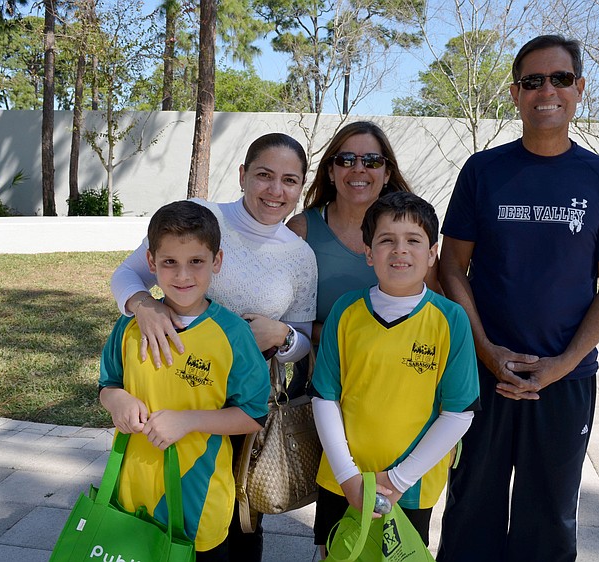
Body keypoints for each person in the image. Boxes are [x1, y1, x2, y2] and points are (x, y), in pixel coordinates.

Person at [436, 35, 599, 562]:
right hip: (481, 376)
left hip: (565, 379)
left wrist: (562, 363)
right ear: (515, 92)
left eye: (560, 79)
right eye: (532, 81)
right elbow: (450, 266)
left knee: (548, 516)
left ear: (579, 90)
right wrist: (485, 350)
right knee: (470, 507)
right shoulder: (483, 171)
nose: (546, 90)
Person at [110, 132, 317, 561]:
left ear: (301, 187)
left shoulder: (300, 255)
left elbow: (301, 340)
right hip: (178, 375)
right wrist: (143, 305)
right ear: (242, 175)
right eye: (263, 175)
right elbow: (129, 275)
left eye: (289, 180)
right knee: (166, 498)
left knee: (240, 510)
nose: (275, 190)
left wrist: (282, 336)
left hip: (244, 389)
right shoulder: (203, 217)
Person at [309, 192, 480, 556]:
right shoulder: (346, 311)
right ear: (369, 253)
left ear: (432, 253)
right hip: (342, 480)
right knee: (335, 554)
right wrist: (348, 476)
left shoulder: (450, 320)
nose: (400, 250)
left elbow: (459, 413)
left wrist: (398, 479)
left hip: (410, 487)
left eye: (413, 241)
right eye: (386, 240)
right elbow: (325, 398)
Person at [99, 200, 270, 562]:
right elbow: (108, 383)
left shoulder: (233, 334)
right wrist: (116, 401)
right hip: (133, 493)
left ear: (216, 262)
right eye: (169, 263)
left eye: (196, 262)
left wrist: (189, 420)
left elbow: (253, 414)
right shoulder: (129, 329)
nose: (182, 276)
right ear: (151, 264)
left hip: (199, 498)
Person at [286, 121, 438, 394]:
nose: (359, 169)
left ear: (387, 172)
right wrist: (356, 336)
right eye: (345, 160)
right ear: (331, 172)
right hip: (319, 389)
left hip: (401, 388)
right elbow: (287, 321)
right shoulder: (302, 230)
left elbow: (435, 313)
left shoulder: (416, 234)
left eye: (372, 160)